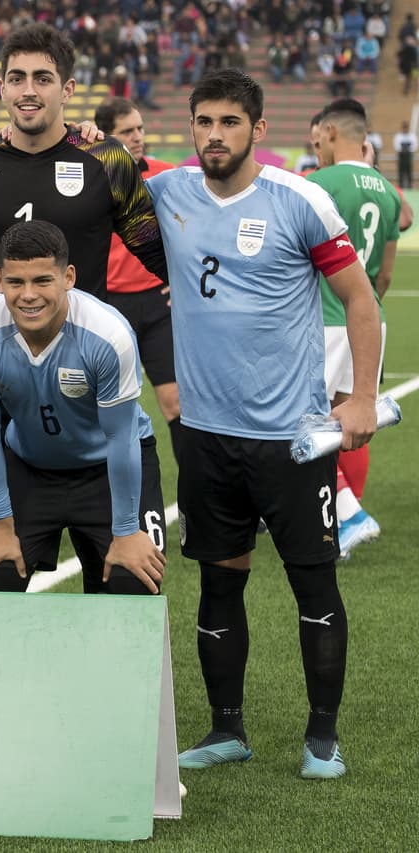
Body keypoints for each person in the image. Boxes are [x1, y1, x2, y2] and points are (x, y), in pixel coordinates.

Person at [146, 70, 380, 780]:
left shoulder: (299, 200)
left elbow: (362, 304)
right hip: (207, 436)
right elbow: (100, 169)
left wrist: (362, 398)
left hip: (293, 436)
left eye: (228, 122)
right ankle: (226, 730)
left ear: (257, 130)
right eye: (203, 121)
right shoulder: (170, 190)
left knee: (314, 585)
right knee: (219, 584)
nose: (214, 134)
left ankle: (322, 740)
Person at [0, 220, 166, 595]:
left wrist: (127, 530)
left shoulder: (107, 334)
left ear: (68, 277)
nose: (28, 295)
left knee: (132, 583)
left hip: (108, 467)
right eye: (16, 282)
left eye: (42, 281)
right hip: (31, 467)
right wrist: (1, 526)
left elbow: (121, 436)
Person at [0, 23, 167, 306]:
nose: (28, 91)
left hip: (82, 345)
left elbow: (150, 245)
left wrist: (195, 290)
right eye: (17, 79)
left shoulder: (107, 158)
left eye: (42, 79)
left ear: (67, 89)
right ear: (3, 88)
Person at [307, 98, 402, 558]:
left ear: (328, 133)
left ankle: (347, 511)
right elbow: (383, 274)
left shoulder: (317, 182)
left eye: (317, 138)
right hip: (370, 319)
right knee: (353, 416)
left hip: (325, 317)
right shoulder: (386, 190)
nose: (315, 145)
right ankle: (345, 518)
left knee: (302, 421)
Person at [93, 97, 184, 462]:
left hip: (158, 304)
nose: (137, 137)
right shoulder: (87, 176)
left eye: (140, 129)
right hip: (110, 307)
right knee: (109, 410)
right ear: (106, 137)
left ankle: (196, 501)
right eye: (127, 131)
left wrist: (182, 278)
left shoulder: (165, 174)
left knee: (176, 402)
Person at [394, 120, 416, 189]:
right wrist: (402, 149)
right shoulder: (398, 136)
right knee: (401, 171)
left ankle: (409, 186)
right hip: (401, 155)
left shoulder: (412, 136)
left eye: (406, 127)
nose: (405, 129)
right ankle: (401, 186)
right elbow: (396, 145)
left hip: (408, 155)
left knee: (409, 171)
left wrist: (408, 149)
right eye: (404, 127)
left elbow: (415, 145)